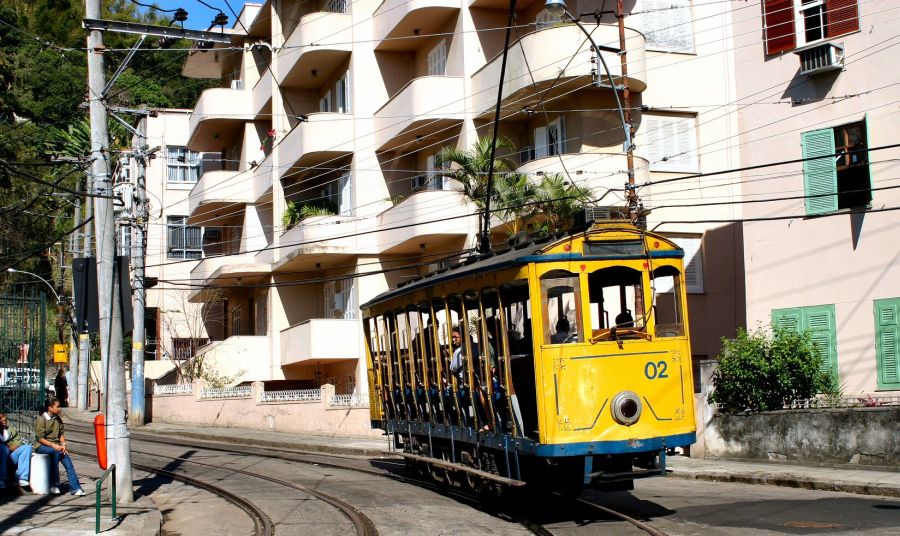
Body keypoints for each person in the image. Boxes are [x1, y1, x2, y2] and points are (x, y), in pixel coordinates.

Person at [33, 396, 84, 496]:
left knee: (68, 462)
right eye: (57, 406)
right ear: (50, 408)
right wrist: (53, 446)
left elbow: (61, 434)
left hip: (56, 447)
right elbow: (40, 438)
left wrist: (63, 445)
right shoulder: (41, 420)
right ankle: (54, 484)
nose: (59, 408)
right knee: (55, 453)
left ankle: (75, 488)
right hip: (42, 446)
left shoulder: (58, 419)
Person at [0, 412, 32, 490]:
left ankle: (22, 478)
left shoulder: (10, 430)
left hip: (10, 457)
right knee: (3, 448)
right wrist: (8, 447)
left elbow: (18, 442)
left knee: (27, 447)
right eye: (1, 419)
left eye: (5, 418)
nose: (4, 420)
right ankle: (2, 479)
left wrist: (13, 447)